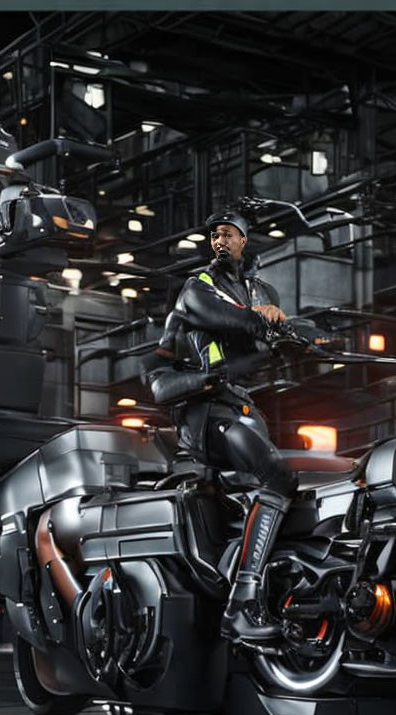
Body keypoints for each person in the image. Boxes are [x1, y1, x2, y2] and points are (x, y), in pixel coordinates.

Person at [144, 209, 295, 643]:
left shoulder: (261, 290)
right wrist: (260, 318)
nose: (219, 241)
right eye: (214, 235)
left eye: (227, 234)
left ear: (244, 241)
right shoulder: (199, 287)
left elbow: (265, 346)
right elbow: (221, 317)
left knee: (285, 485)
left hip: (242, 407)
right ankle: (241, 605)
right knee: (279, 477)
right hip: (207, 414)